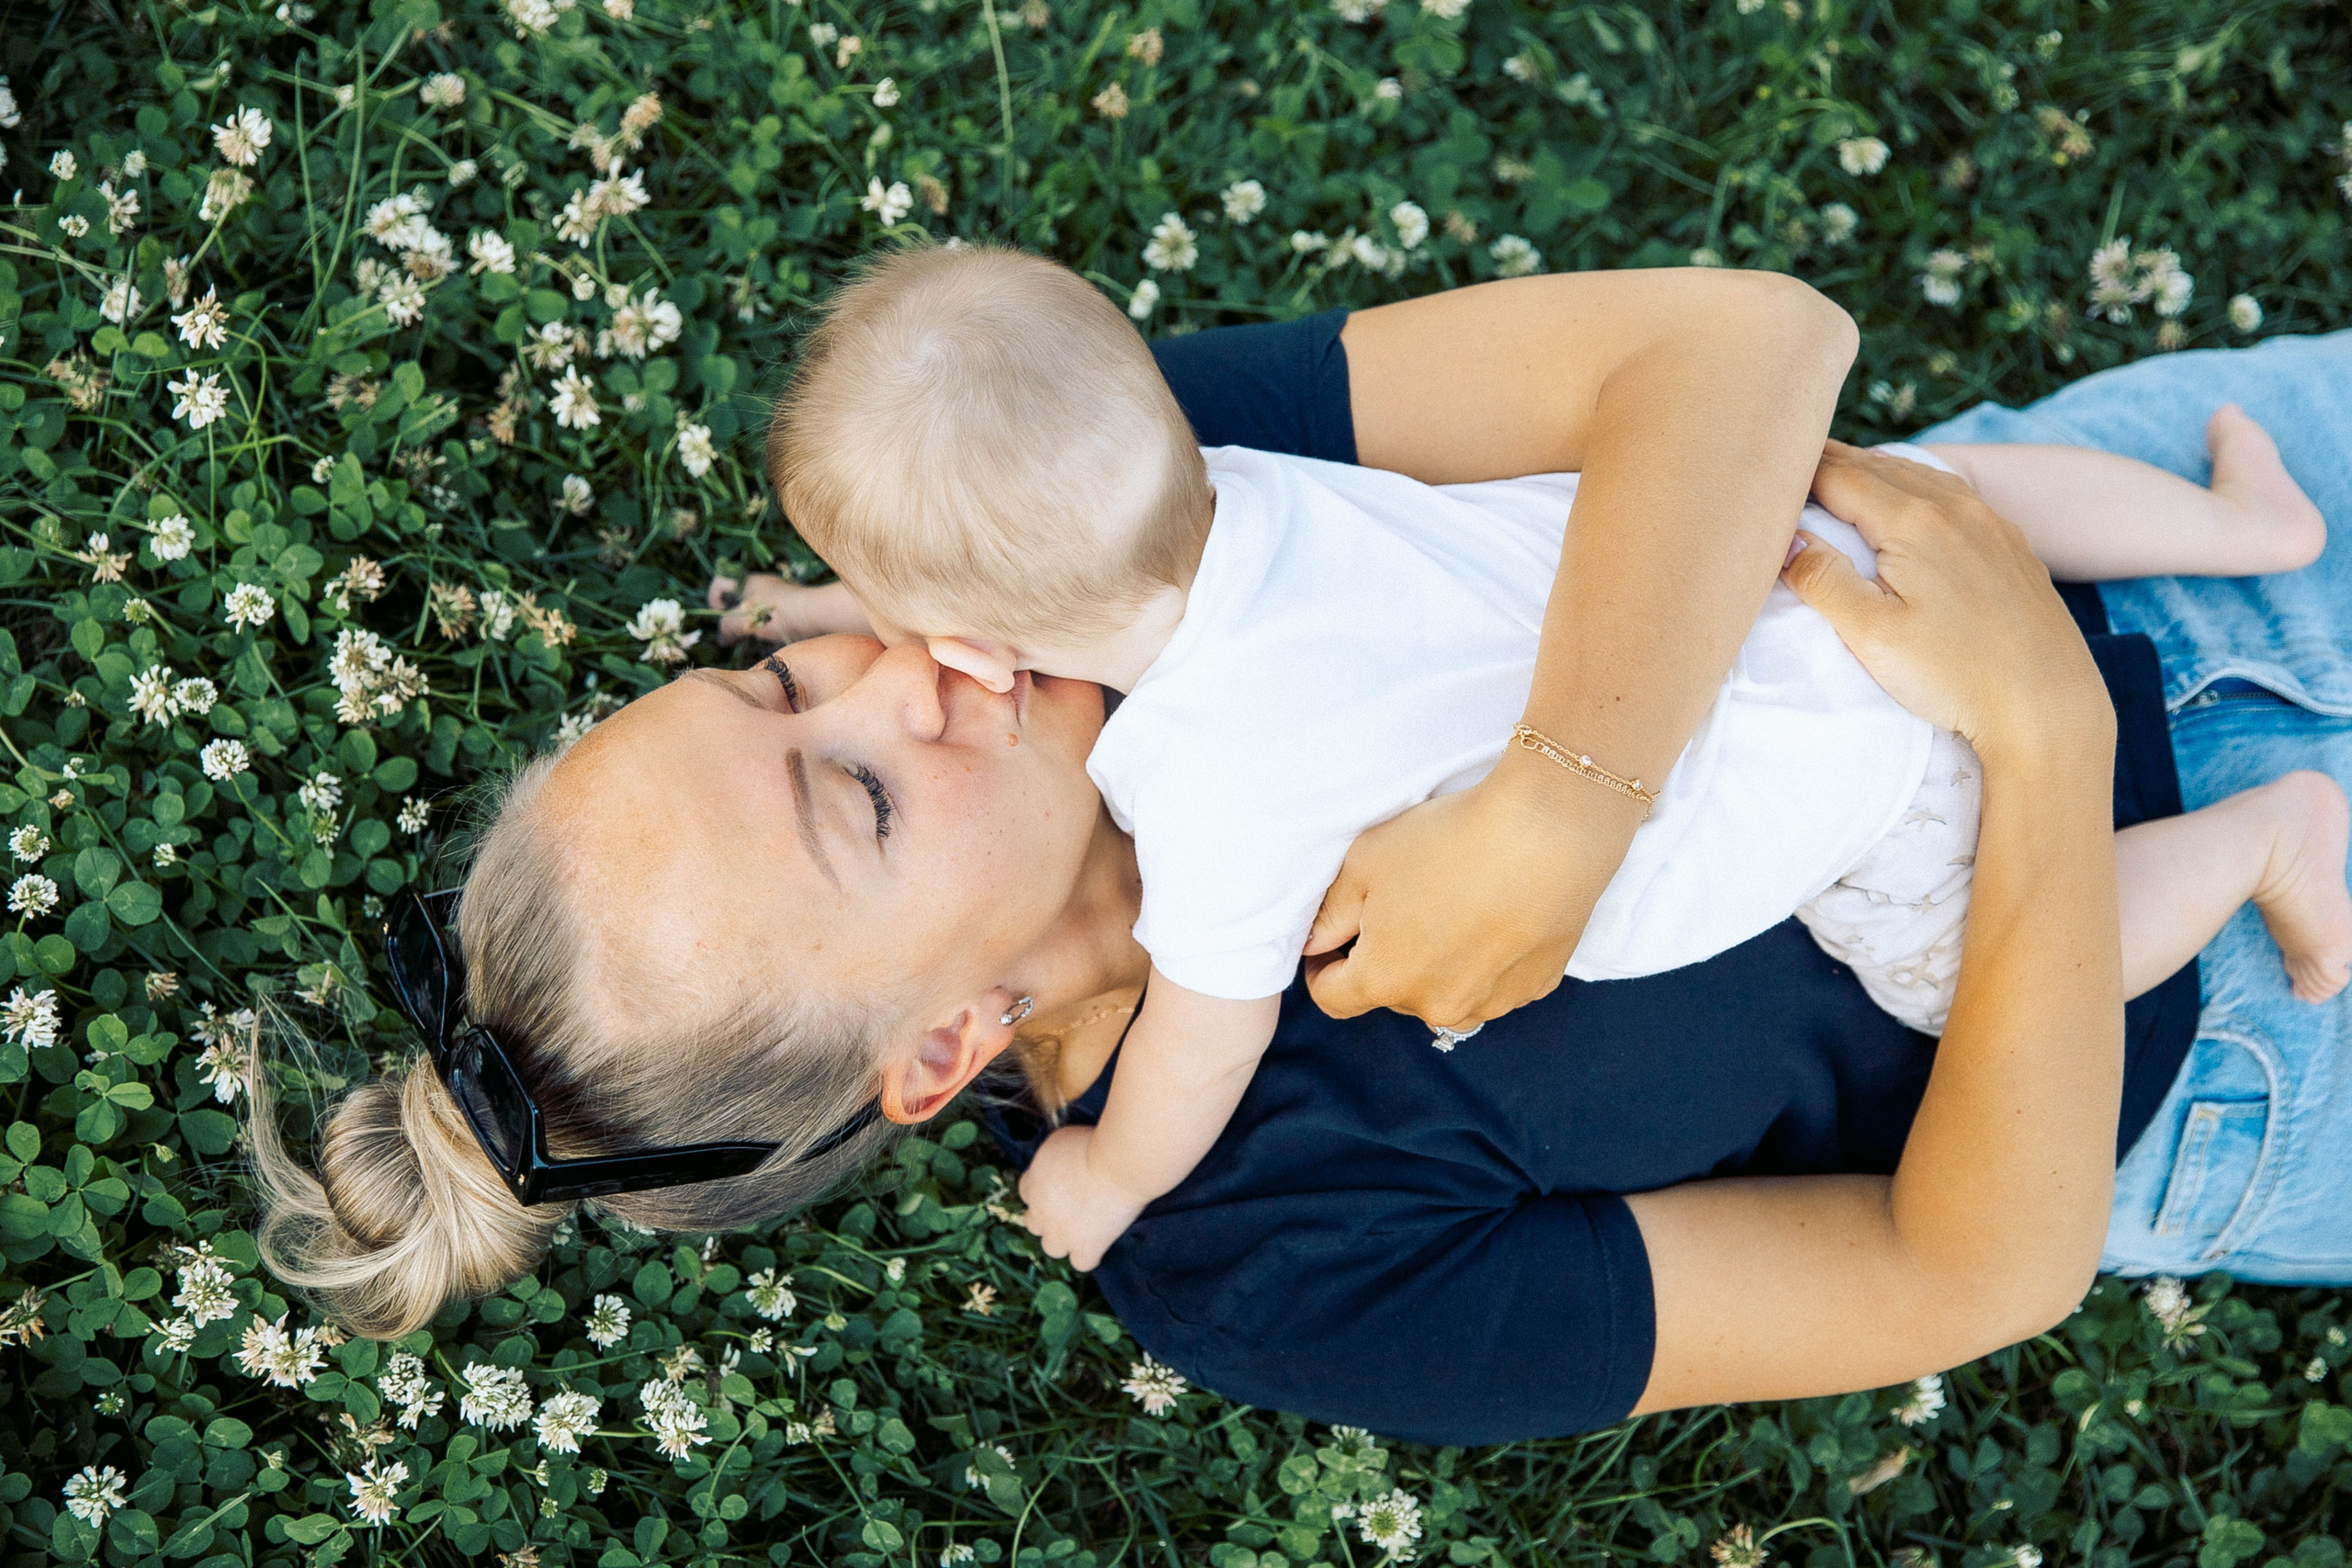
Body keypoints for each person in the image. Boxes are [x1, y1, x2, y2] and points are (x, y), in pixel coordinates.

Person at [242, 271, 2352, 1450]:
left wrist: (1562, 796)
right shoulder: (1269, 1255)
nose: (909, 683)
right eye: (856, 798)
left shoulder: (1085, 531)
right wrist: (2043, 741)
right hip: (2262, 1005)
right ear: (943, 1045)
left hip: (2141, 509)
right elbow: (1961, 1267)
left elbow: (1742, 351)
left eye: (784, 685)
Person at [726, 244, 2346, 1269]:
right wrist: (868, 583)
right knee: (1928, 494)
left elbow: (1208, 1038)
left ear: (979, 642)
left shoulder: (1209, 778)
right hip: (1775, 582)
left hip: (1829, 793)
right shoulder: (1245, 473)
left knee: (1970, 962)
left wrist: (1112, 1179)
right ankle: (2240, 523)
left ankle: (2270, 839)